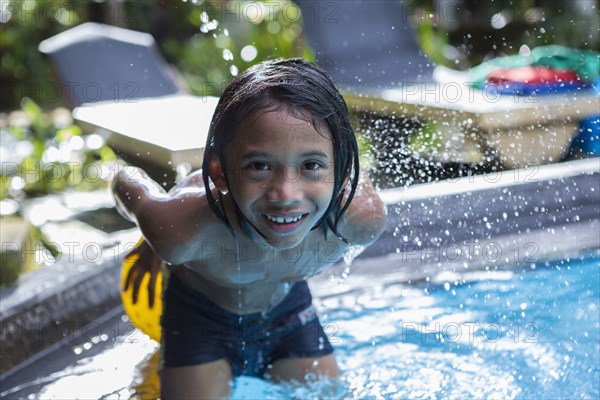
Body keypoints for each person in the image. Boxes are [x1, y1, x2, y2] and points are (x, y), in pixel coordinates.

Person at [112, 58, 386, 398]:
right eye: (259, 166)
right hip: (200, 321)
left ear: (342, 171)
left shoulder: (359, 218)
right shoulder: (181, 231)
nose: (285, 195)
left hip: (288, 311)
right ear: (219, 172)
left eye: (311, 165)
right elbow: (127, 180)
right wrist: (150, 234)